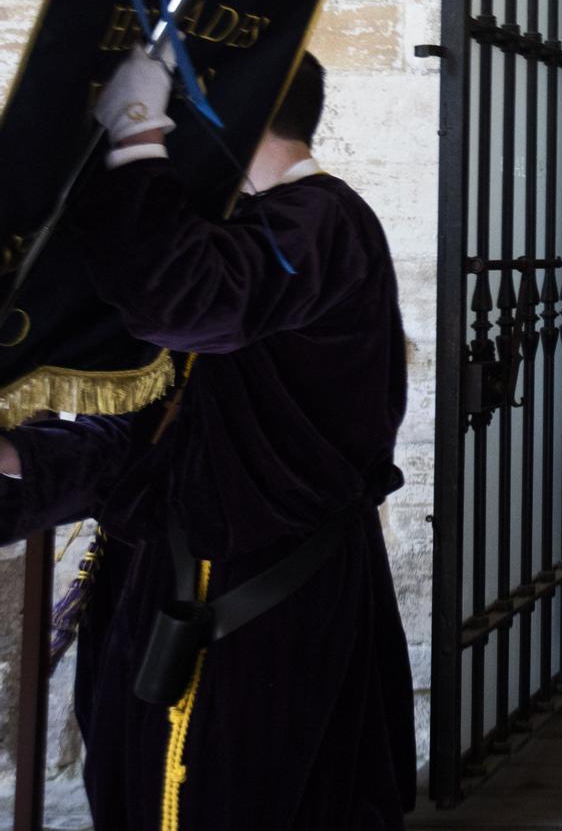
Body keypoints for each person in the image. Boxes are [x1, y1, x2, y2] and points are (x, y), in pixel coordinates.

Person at [0, 47, 415, 830]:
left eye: (180, 114)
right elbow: (148, 439)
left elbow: (184, 298)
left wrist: (133, 135)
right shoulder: (238, 237)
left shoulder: (325, 221)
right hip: (172, 600)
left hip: (261, 625)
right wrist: (19, 460)